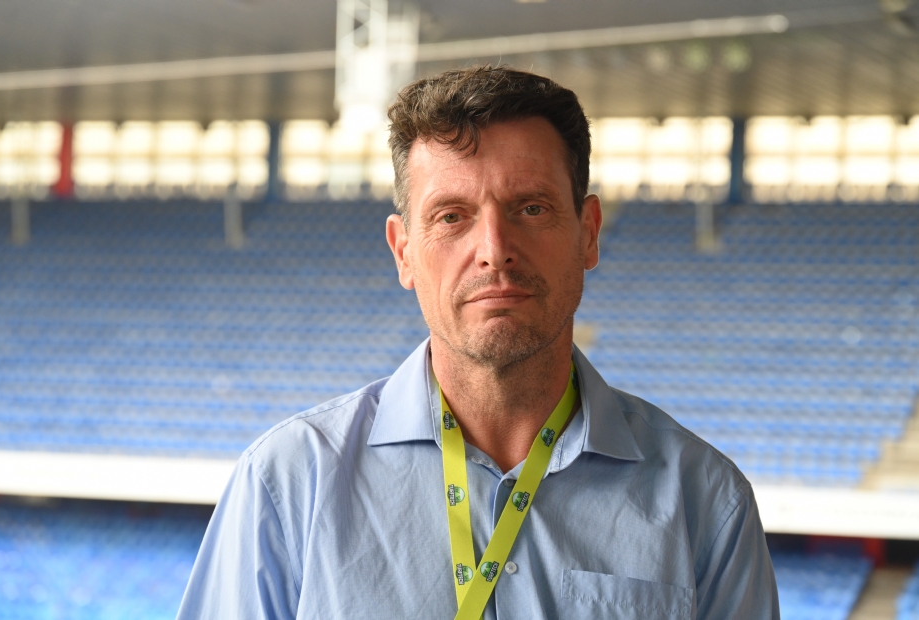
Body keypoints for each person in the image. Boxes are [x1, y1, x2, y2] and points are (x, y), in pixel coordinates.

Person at [177, 66, 779, 620]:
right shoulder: (286, 485)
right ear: (403, 252)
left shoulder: (705, 502)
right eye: (451, 216)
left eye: (532, 208)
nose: (494, 249)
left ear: (588, 234)